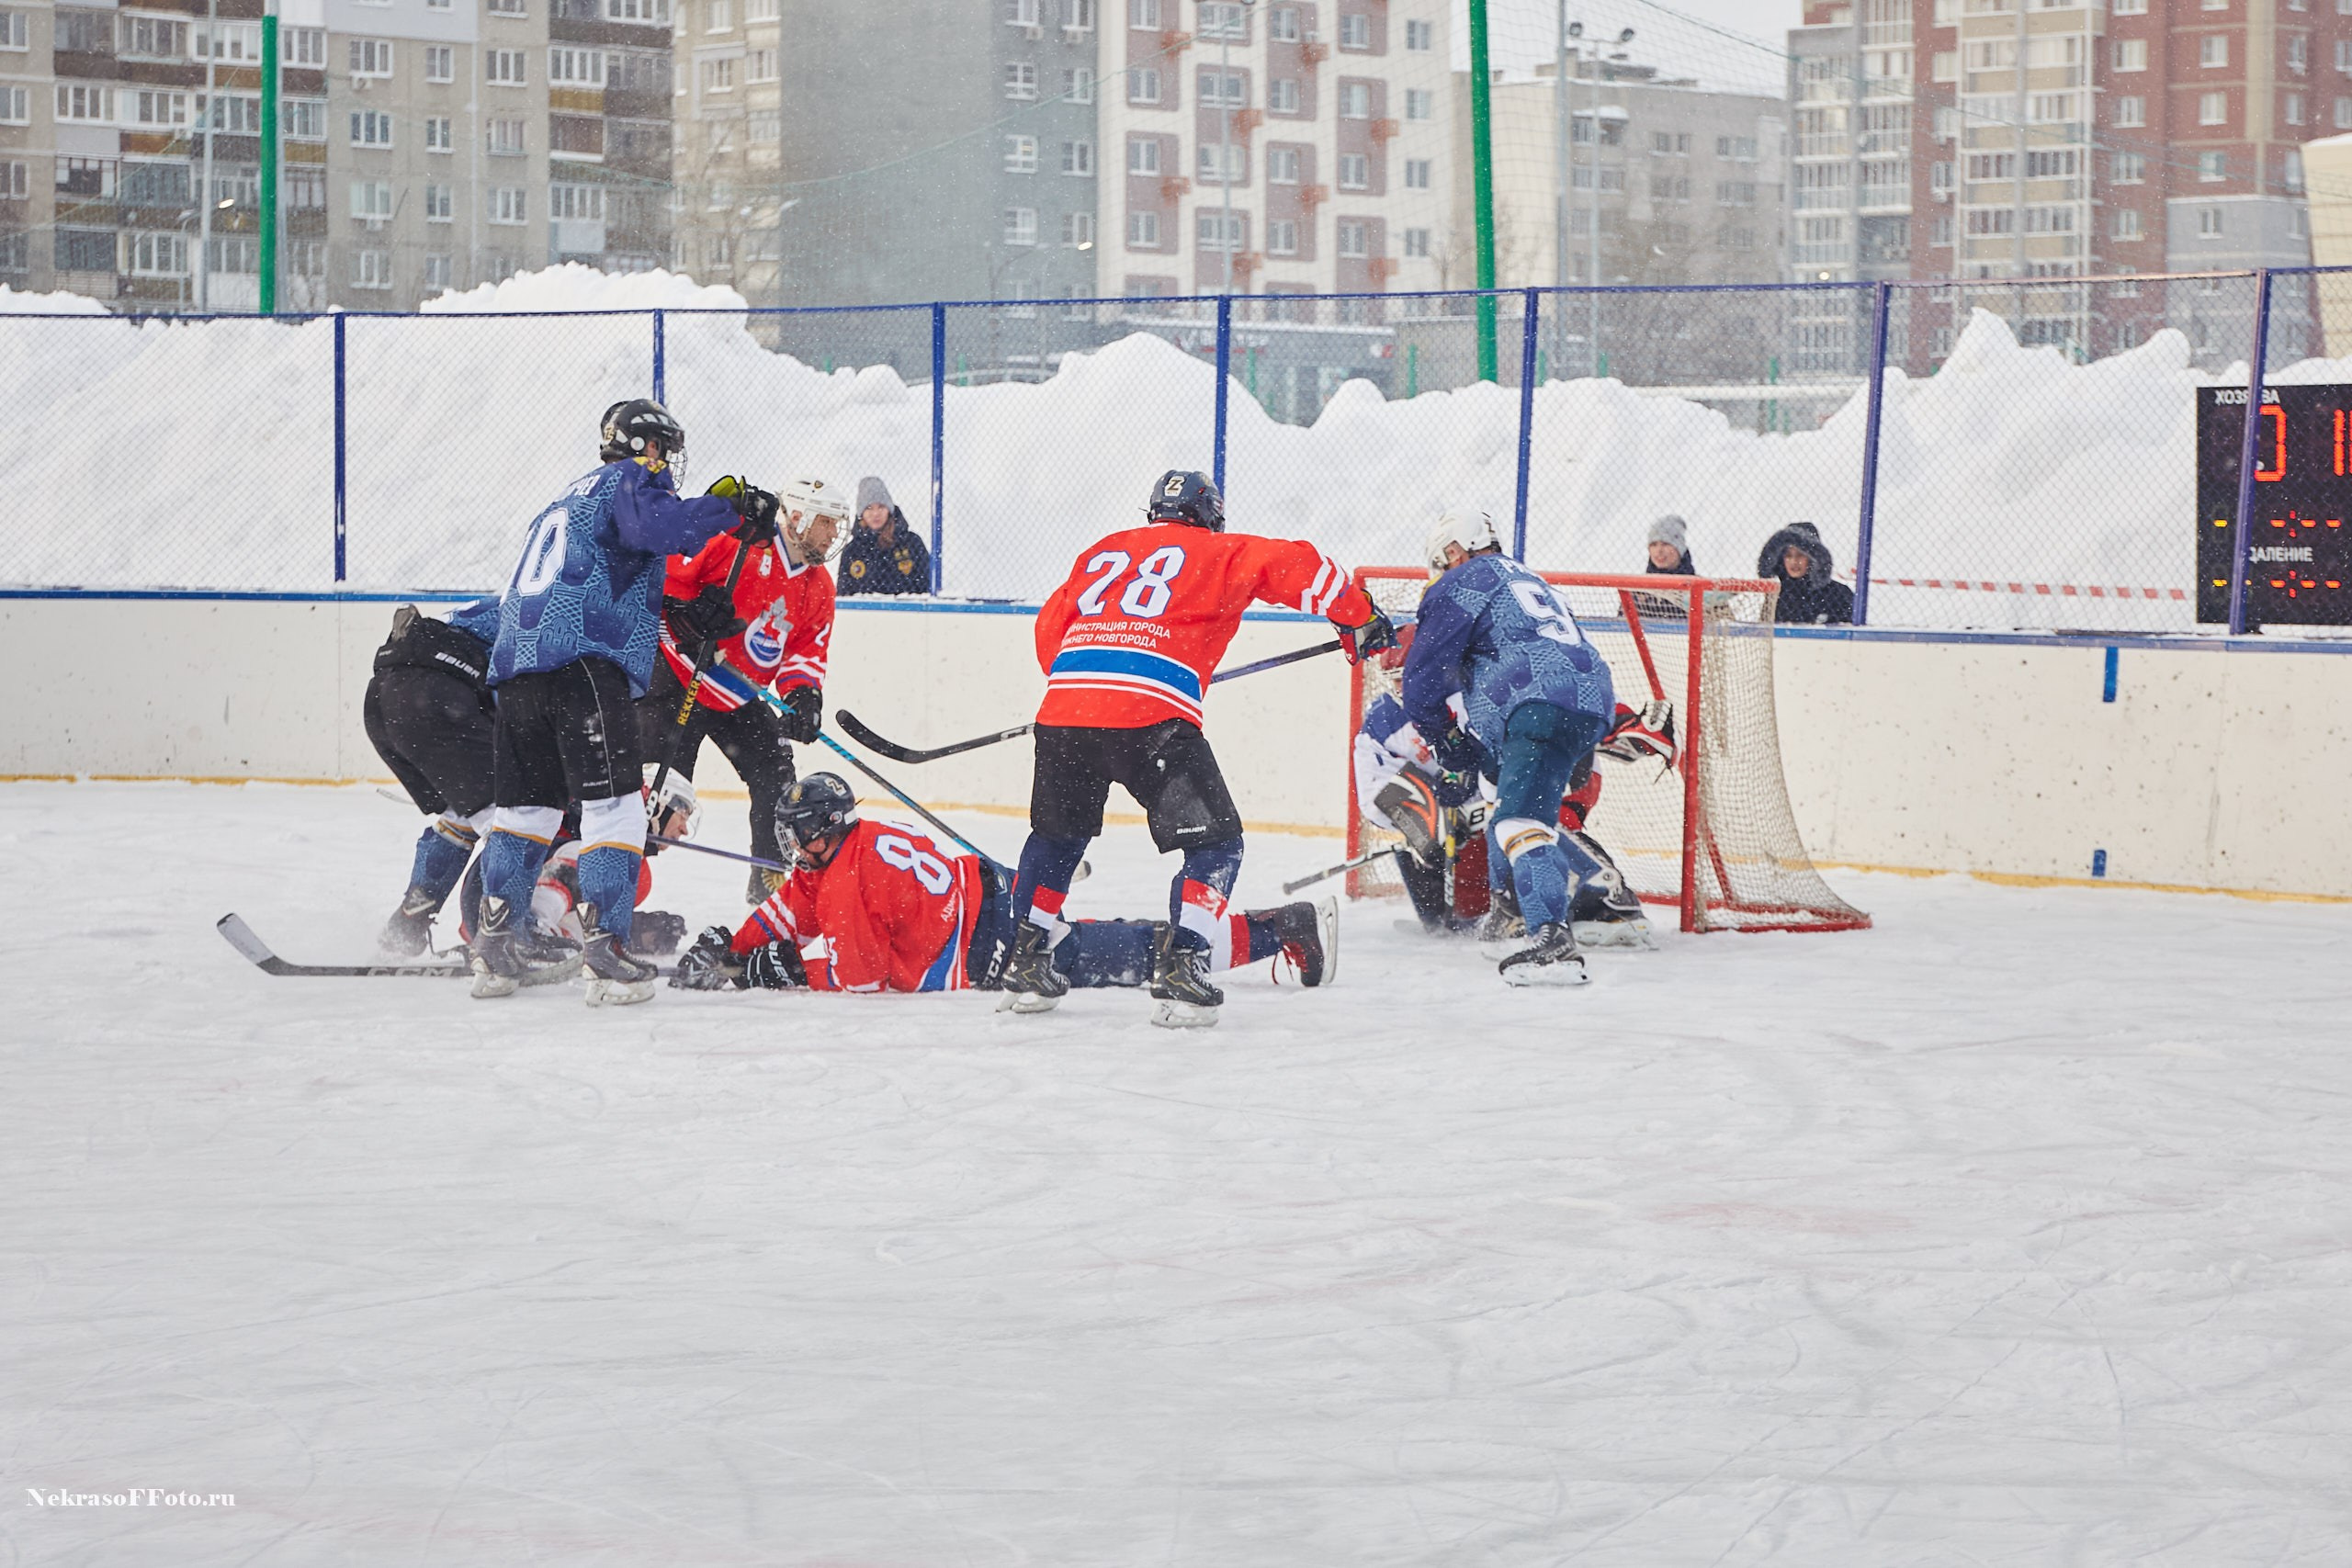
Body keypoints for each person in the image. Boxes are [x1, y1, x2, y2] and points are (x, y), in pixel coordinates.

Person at [997, 468, 1394, 1028]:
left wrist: (1088, 688)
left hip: (1066, 709)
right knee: (1217, 844)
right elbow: (1298, 564)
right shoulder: (1218, 550)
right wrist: (1359, 614)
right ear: (1210, 517)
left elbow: (1050, 631)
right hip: (1151, 718)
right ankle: (1184, 965)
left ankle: (1028, 958)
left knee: (1057, 836)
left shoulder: (1103, 551)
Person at [470, 397, 772, 1006]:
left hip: (519, 669)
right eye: (664, 452)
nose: (666, 465)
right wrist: (731, 508)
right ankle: (607, 949)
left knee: (527, 810)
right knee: (616, 809)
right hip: (581, 664)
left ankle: (497, 945)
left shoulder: (565, 498)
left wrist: (685, 606)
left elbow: (605, 573)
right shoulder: (628, 478)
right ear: (646, 447)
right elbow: (665, 528)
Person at [668, 773, 1334, 997]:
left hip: (986, 944)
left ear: (823, 829)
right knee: (1122, 938)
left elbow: (861, 978)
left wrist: (768, 971)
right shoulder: (851, 848)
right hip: (994, 888)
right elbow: (795, 903)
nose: (789, 847)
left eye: (796, 833)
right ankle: (1272, 928)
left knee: (1142, 954)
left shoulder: (843, 881)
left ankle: (1281, 929)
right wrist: (738, 942)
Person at [1401, 508, 1618, 986]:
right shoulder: (1527, 578)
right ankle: (1508, 908)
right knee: (1496, 786)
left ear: (1454, 551)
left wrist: (1448, 742)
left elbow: (1420, 685)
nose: (1441, 572)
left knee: (1521, 821)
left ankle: (1551, 936)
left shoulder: (1462, 581)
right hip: (1585, 698)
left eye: (1443, 561)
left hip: (1537, 701)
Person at [637, 476, 842, 902]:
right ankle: (607, 898)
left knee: (778, 778)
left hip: (737, 694)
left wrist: (803, 697)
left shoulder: (820, 586)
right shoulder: (738, 542)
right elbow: (666, 579)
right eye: (826, 523)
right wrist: (684, 617)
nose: (833, 534)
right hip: (680, 677)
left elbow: (804, 652)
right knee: (657, 800)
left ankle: (768, 886)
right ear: (799, 518)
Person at [363, 597, 503, 954]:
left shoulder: (513, 599)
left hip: (384, 698)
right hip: (438, 698)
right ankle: (510, 935)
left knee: (462, 813)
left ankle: (408, 922)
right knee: (511, 821)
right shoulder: (568, 619)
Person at [838, 476, 932, 597]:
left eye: (881, 507)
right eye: (869, 508)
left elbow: (926, 585)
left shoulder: (912, 543)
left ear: (889, 510)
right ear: (861, 513)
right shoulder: (852, 551)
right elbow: (843, 595)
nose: (876, 513)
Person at [1757, 520, 1854, 625]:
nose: (1794, 561)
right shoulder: (1775, 594)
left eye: (1800, 555)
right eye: (1788, 555)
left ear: (1813, 558)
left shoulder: (1839, 595)